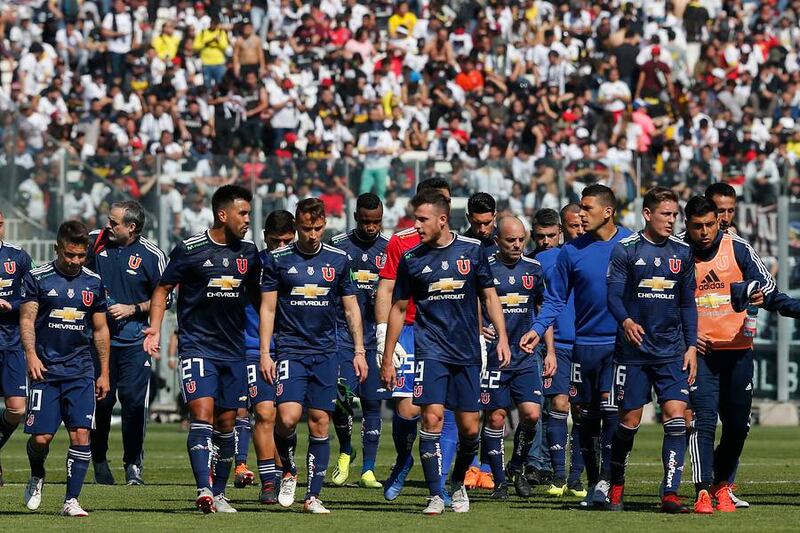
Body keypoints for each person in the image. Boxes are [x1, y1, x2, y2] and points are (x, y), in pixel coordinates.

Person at [381, 190, 511, 515]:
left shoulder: (472, 250)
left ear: (442, 220)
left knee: (470, 428)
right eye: (415, 219)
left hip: (466, 351)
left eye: (422, 219)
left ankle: (457, 481)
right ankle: (436, 494)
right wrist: (387, 355)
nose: (416, 225)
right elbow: (398, 308)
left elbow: (489, 296)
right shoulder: (412, 259)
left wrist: (503, 338)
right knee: (431, 417)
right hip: (430, 350)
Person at [144, 185, 262, 514]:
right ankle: (204, 489)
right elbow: (162, 289)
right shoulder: (190, 249)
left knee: (227, 422)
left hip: (234, 350)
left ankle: (220, 493)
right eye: (242, 213)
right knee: (202, 413)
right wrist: (154, 328)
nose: (247, 219)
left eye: (249, 213)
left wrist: (273, 336)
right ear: (222, 214)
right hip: (197, 346)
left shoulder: (249, 253)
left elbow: (259, 298)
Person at [683, 195, 800, 513]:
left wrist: (760, 294)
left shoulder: (737, 247)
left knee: (738, 427)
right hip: (700, 355)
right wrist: (687, 337)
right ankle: (702, 491)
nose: (705, 232)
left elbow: (769, 289)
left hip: (738, 352)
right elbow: (665, 304)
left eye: (710, 225)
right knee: (704, 421)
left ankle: (722, 485)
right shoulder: (678, 252)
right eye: (698, 226)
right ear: (687, 225)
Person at [521, 184, 633, 507]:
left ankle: (609, 481)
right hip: (584, 346)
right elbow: (555, 299)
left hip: (618, 345)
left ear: (607, 212)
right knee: (585, 417)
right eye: (580, 208)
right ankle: (595, 481)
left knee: (611, 412)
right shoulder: (571, 252)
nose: (581, 214)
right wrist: (537, 328)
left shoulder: (630, 244)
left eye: (587, 208)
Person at [259, 198, 367, 514]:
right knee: (287, 418)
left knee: (320, 422)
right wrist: (265, 353)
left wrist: (359, 350)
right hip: (291, 351)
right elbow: (268, 308)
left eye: (318, 228)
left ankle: (313, 496)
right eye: (307, 228)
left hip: (326, 353)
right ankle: (289, 470)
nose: (313, 234)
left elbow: (351, 308)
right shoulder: (278, 260)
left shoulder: (339, 259)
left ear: (325, 224)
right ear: (297, 226)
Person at [605, 187, 697, 513]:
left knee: (676, 417)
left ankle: (670, 492)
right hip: (634, 353)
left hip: (671, 351)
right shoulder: (626, 250)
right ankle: (616, 482)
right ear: (647, 214)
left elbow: (687, 304)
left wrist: (691, 346)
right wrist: (627, 321)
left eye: (675, 215)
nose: (672, 220)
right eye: (665, 214)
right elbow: (613, 296)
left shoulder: (683, 253)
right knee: (629, 421)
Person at [374, 178, 459, 503]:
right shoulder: (402, 242)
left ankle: (440, 484)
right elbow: (386, 289)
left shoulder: (461, 245)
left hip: (448, 333)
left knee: (445, 409)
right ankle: (403, 459)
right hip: (410, 330)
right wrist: (384, 335)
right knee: (408, 409)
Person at [20, 221, 111, 517]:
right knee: (41, 439)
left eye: (81, 256)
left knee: (81, 434)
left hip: (81, 370)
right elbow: (27, 320)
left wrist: (104, 372)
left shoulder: (93, 282)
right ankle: (37, 473)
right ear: (57, 249)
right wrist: (31, 355)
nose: (75, 261)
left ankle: (71, 500)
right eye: (70, 255)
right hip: (45, 370)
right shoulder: (38, 278)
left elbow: (100, 329)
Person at [86, 201, 166, 486]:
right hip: (98, 341)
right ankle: (99, 460)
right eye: (108, 220)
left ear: (131, 227)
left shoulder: (152, 255)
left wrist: (132, 308)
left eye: (114, 222)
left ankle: (133, 464)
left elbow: (165, 297)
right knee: (102, 402)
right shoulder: (95, 242)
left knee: (133, 403)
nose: (108, 226)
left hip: (135, 341)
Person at [479, 215, 555, 500]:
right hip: (495, 356)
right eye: (511, 240)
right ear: (497, 240)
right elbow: (472, 302)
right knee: (496, 417)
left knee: (532, 414)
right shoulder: (485, 267)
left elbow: (543, 309)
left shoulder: (533, 269)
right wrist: (478, 327)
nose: (517, 245)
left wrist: (550, 351)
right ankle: (500, 481)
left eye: (521, 240)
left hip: (525, 356)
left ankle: (517, 465)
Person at [329, 194, 390, 489]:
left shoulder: (389, 249)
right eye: (366, 221)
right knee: (340, 400)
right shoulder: (338, 246)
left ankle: (368, 470)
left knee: (372, 403)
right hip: (343, 337)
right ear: (356, 218)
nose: (371, 227)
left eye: (376, 221)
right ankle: (345, 450)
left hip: (375, 337)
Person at [235, 210, 296, 503]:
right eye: (275, 241)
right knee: (264, 412)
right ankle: (268, 481)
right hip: (255, 348)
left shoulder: (303, 264)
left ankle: (287, 472)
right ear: (264, 238)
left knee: (287, 419)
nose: (281, 247)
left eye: (287, 241)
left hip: (294, 348)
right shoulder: (252, 265)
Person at [531, 206, 586, 498]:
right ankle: (558, 475)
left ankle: (576, 477)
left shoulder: (600, 254)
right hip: (560, 343)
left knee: (582, 410)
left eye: (582, 224)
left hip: (589, 343)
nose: (580, 230)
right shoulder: (545, 259)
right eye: (574, 225)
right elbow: (539, 301)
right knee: (559, 405)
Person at [0, 211, 33, 485]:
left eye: (0, 224)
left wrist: (11, 305)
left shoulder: (18, 257)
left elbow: (33, 295)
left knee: (17, 409)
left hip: (11, 342)